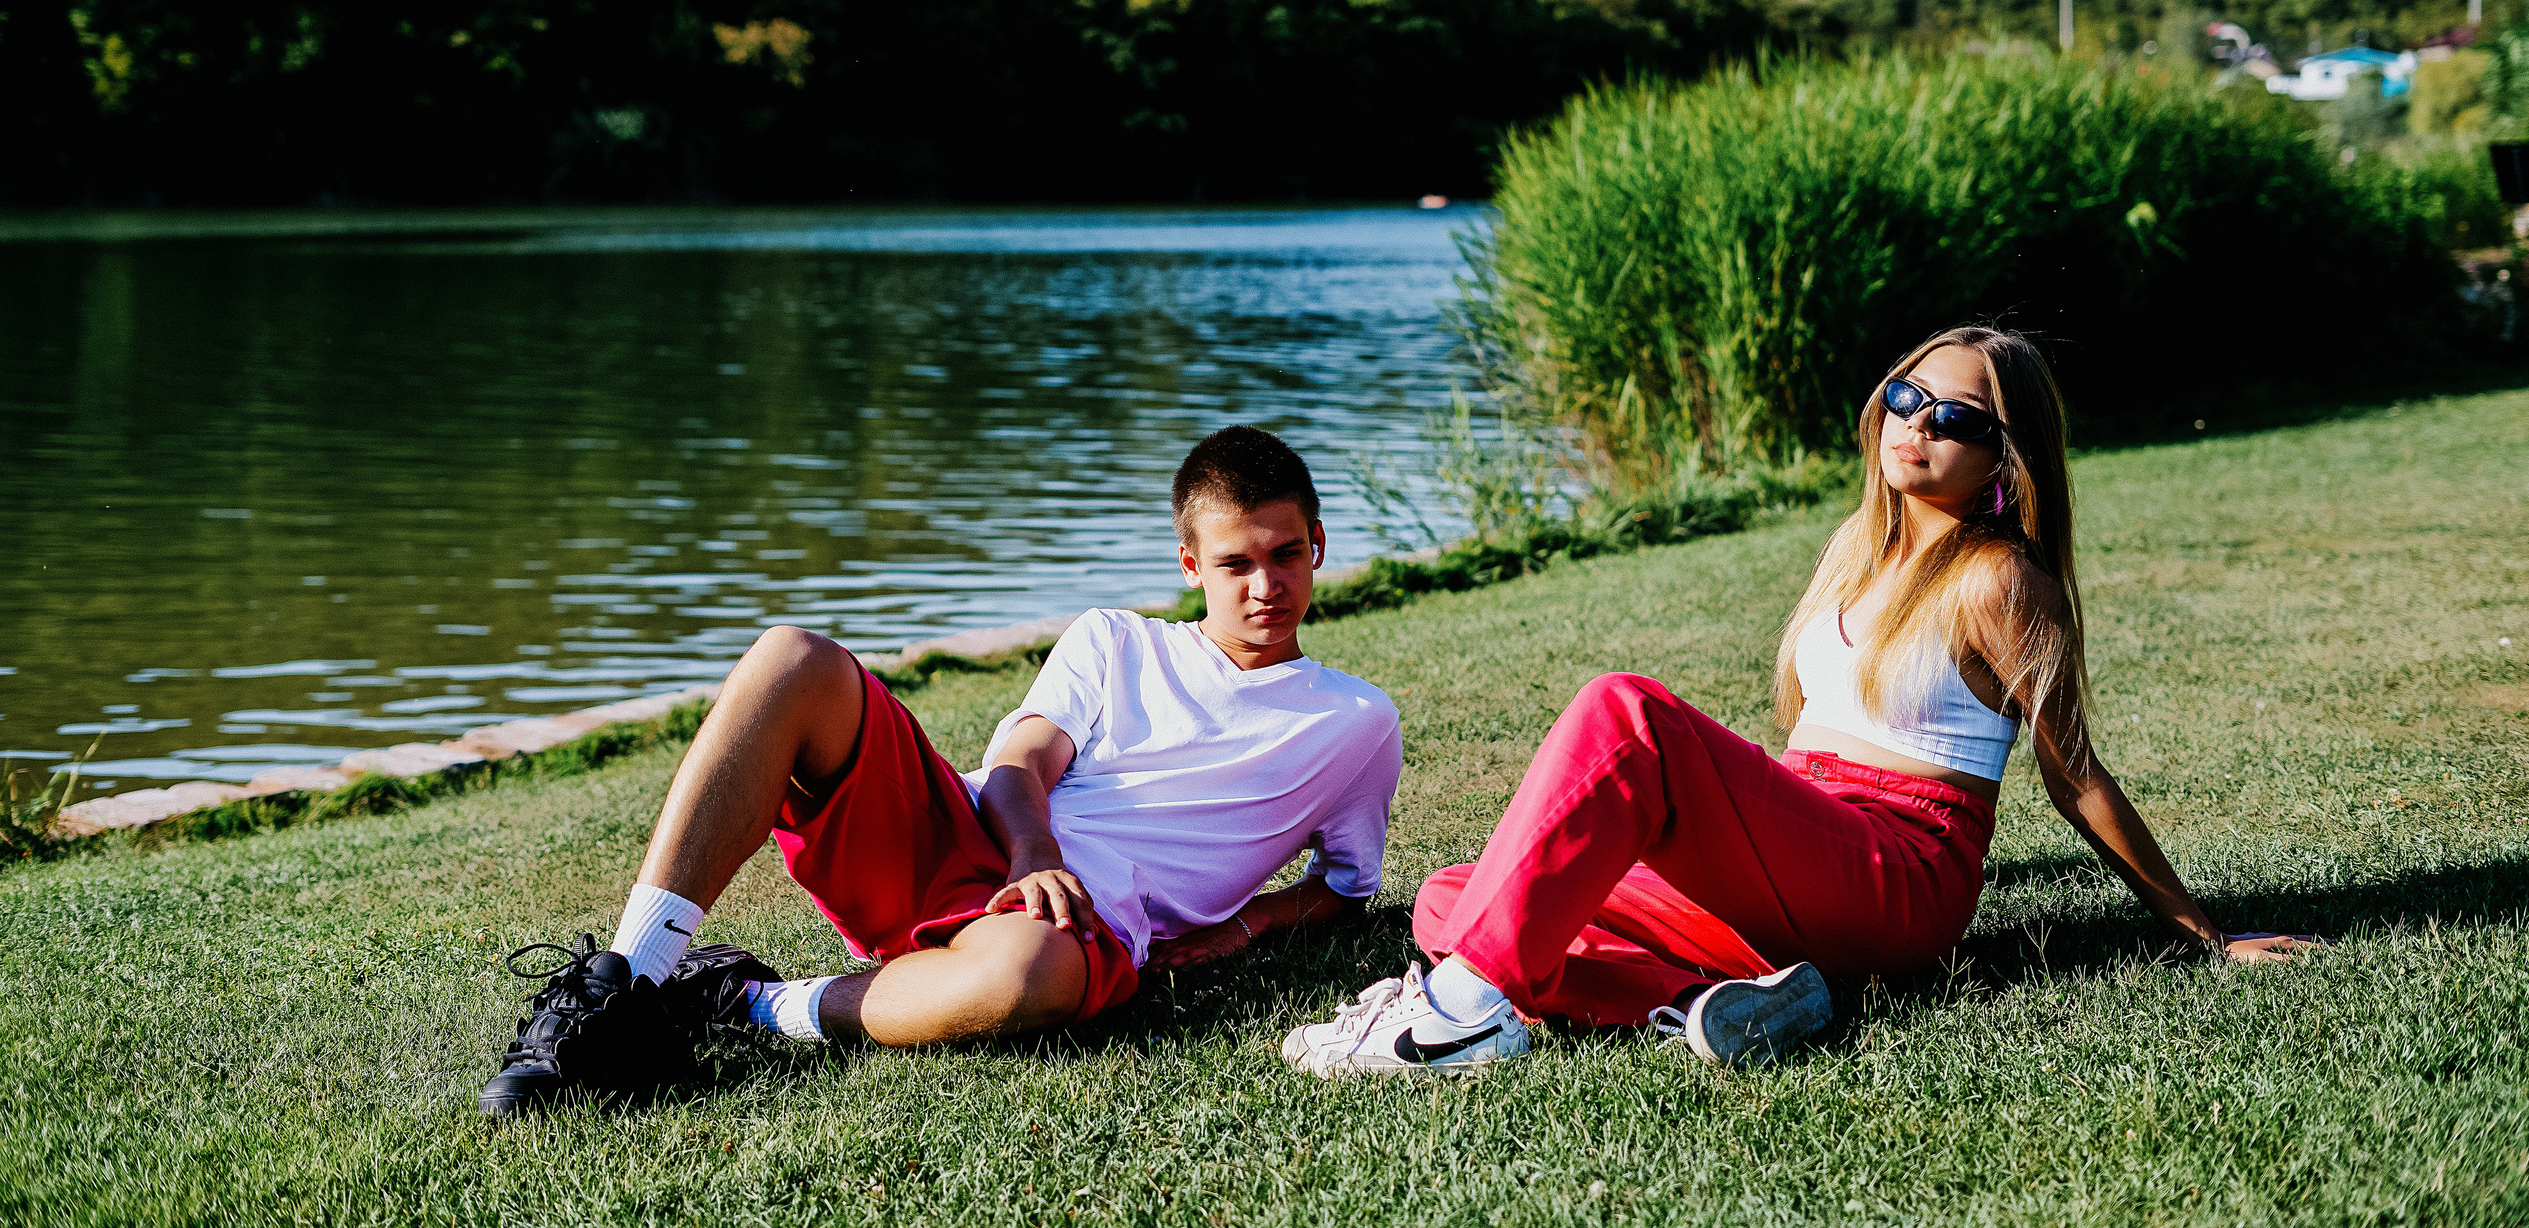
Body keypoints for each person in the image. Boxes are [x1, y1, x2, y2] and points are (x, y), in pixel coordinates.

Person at [1282, 325, 2323, 1078]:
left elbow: (2075, 773)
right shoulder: (1852, 551)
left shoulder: (1999, 580)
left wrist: (2202, 932)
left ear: (2004, 458)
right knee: (1459, 897)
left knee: (1625, 715)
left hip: (1898, 867)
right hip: (1807, 853)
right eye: (1907, 397)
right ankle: (1716, 1005)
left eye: (1956, 418)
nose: (1917, 425)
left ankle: (1459, 1020)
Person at [481, 425, 1400, 1118]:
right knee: (791, 657)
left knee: (1026, 976)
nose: (1264, 585)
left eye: (1285, 554)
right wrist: (1032, 854)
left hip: (1078, 927)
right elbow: (1018, 763)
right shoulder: (1115, 639)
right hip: (972, 836)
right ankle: (621, 991)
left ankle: (743, 1002)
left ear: (1317, 543)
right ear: (1192, 563)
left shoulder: (1356, 721)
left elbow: (1347, 887)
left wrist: (1254, 922)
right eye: (1236, 562)